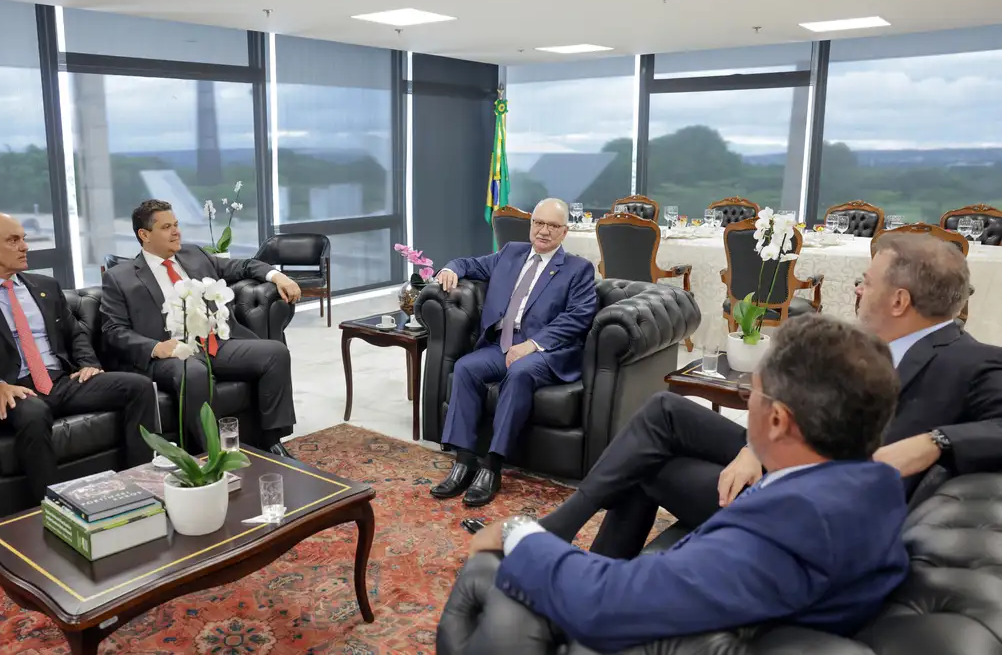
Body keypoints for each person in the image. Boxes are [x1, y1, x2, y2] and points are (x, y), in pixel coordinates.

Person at [449, 315, 909, 653]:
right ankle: (576, 547)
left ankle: (557, 540)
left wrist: (517, 533)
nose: (747, 403)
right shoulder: (877, 482)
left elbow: (606, 603)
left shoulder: (788, 530)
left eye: (751, 393)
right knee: (644, 459)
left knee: (495, 571)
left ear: (776, 419)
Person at [538, 231, 1002, 560]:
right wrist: (752, 447)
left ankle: (569, 553)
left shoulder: (972, 361)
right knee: (666, 410)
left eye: (867, 281)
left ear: (899, 301)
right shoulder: (874, 347)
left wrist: (934, 442)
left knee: (646, 466)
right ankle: (564, 531)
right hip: (795, 464)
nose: (858, 289)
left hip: (814, 514)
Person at [0, 213, 157, 502]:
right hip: (15, 389)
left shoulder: (44, 286)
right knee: (34, 413)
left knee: (138, 387)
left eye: (23, 239)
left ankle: (141, 482)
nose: (24, 246)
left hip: (61, 380)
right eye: (13, 240)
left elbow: (75, 333)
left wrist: (89, 363)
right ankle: (50, 507)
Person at [99, 199, 302, 457]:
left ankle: (271, 443)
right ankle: (212, 454)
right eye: (166, 227)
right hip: (171, 353)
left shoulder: (194, 255)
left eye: (176, 224)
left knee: (275, 353)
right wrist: (155, 348)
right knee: (193, 371)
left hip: (216, 344)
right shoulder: (121, 277)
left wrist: (277, 276)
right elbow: (113, 330)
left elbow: (243, 266)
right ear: (144, 235)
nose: (176, 232)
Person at [429, 198, 598, 506]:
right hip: (500, 345)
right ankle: (464, 461)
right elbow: (471, 264)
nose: (543, 231)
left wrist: (531, 345)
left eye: (552, 226)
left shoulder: (578, 269)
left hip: (545, 352)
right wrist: (449, 268)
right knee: (466, 368)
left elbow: (577, 318)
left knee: (519, 372)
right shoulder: (510, 253)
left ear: (565, 231)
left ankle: (492, 466)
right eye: (538, 223)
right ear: (530, 224)